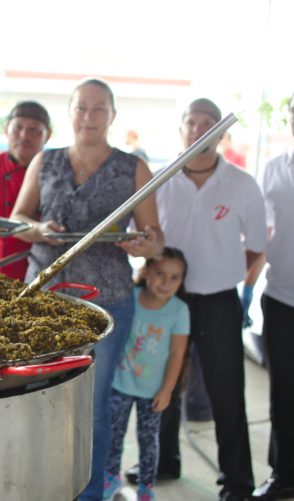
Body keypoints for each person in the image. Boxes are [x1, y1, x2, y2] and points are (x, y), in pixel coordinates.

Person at [10, 77, 164, 501]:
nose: (89, 117)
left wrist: (145, 244)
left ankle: (89, 493)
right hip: (42, 301)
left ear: (112, 116)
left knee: (92, 407)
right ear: (70, 112)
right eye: (81, 107)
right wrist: (38, 228)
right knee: (35, 396)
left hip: (107, 302)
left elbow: (155, 239)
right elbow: (18, 220)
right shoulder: (46, 160)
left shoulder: (133, 168)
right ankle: (37, 486)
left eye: (99, 109)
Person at [141, 98, 267, 501]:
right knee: (163, 384)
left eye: (208, 123)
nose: (199, 129)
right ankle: (162, 462)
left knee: (227, 392)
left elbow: (258, 246)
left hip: (218, 303)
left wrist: (233, 280)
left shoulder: (242, 183)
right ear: (181, 130)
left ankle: (238, 483)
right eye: (191, 122)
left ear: (221, 132)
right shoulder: (158, 180)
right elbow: (140, 239)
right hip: (168, 302)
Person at [103, 248, 190, 501]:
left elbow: (177, 354)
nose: (166, 282)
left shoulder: (179, 310)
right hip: (120, 384)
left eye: (175, 277)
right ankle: (111, 478)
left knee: (148, 440)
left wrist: (167, 390)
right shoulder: (130, 296)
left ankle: (145, 488)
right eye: (160, 273)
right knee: (114, 435)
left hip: (152, 392)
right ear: (145, 271)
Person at [247, 93, 294, 501]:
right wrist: (247, 287)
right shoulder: (273, 168)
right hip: (281, 298)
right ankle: (285, 476)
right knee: (283, 394)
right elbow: (262, 235)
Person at [0, 101, 51, 280]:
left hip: (38, 280)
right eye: (18, 128)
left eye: (34, 130)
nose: (24, 135)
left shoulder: (55, 175)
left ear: (48, 135)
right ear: (6, 129)